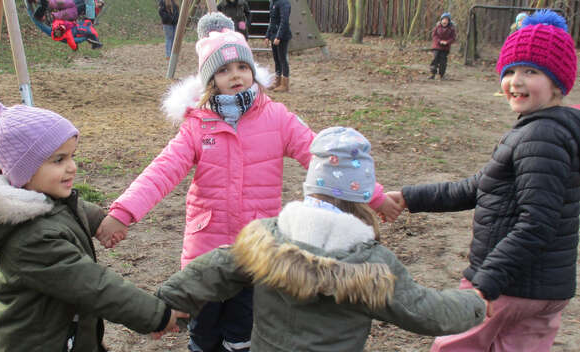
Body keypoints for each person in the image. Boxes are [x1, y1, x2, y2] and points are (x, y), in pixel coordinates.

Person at [95, 12, 401, 352]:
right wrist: (122, 213)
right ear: (210, 79)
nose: (235, 75)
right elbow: (161, 172)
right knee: (204, 334)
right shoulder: (198, 126)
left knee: (243, 334)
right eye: (223, 70)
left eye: (242, 67)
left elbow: (325, 161)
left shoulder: (278, 118)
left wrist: (373, 196)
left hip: (257, 253)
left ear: (252, 70)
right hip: (205, 255)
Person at [151, 126, 487, 351]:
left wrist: (163, 305)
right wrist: (475, 304)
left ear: (311, 185)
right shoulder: (372, 266)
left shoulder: (268, 238)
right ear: (362, 196)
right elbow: (423, 310)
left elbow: (216, 267)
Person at [388, 10, 580, 351]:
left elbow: (537, 222)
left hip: (509, 285)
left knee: (453, 346)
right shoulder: (547, 129)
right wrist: (409, 198)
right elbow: (479, 187)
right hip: (547, 289)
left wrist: (485, 286)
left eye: (531, 72)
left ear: (557, 82)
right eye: (510, 71)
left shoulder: (543, 136)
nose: (516, 81)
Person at [0, 102, 185, 351]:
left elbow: (71, 208)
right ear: (23, 172)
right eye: (58, 160)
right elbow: (94, 286)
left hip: (69, 333)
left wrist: (101, 221)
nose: (72, 167)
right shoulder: (31, 240)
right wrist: (156, 315)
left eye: (72, 156)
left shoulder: (38, 198)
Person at [264, 0, 292, 92]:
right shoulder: (273, 3)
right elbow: (272, 21)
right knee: (276, 59)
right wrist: (267, 36)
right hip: (273, 35)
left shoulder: (284, 3)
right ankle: (277, 81)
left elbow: (284, 21)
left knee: (282, 58)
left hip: (282, 36)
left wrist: (279, 36)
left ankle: (285, 84)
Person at [429, 12, 456, 80]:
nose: (445, 21)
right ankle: (432, 74)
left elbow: (453, 38)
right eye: (443, 19)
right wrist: (439, 41)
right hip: (436, 46)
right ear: (441, 20)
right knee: (434, 59)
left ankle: (442, 75)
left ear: (449, 21)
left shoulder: (451, 29)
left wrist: (447, 42)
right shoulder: (437, 27)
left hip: (445, 48)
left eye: (446, 20)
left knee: (443, 62)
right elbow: (434, 35)